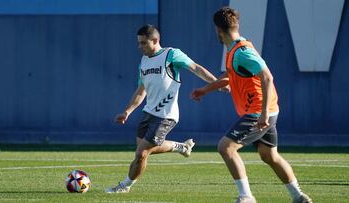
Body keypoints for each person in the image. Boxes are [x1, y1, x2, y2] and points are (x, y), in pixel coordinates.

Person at [191, 7, 312, 203]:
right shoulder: (235, 50)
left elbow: (268, 78)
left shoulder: (242, 52)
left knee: (226, 147)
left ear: (218, 30)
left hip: (259, 111)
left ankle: (246, 197)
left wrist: (263, 114)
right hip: (266, 110)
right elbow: (231, 75)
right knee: (269, 155)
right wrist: (206, 89)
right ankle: (298, 196)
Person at [105, 24, 217, 193]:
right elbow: (140, 90)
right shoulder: (143, 62)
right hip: (148, 112)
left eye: (143, 43)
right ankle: (181, 147)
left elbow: (195, 68)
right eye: (138, 43)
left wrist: (216, 84)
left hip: (166, 114)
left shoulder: (171, 54)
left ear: (155, 40)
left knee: (141, 154)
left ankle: (124, 186)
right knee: (143, 150)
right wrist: (127, 111)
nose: (140, 47)